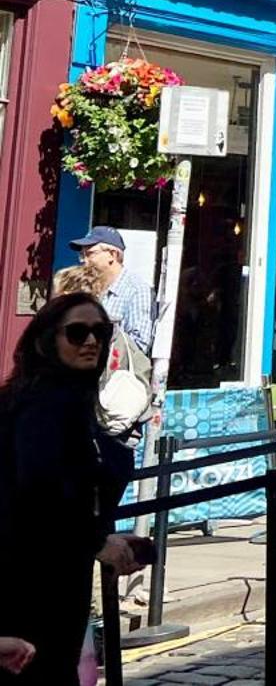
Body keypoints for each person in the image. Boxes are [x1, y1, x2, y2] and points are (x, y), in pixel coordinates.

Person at [0, 293, 145, 686]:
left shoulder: (66, 397)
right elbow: (39, 489)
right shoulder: (46, 401)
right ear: (47, 340)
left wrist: (104, 536)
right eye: (77, 332)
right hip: (33, 583)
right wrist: (96, 541)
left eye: (100, 332)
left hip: (53, 574)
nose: (91, 341)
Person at [70, 226, 154, 357]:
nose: (84, 261)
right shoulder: (86, 288)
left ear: (112, 255)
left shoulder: (136, 290)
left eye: (90, 254)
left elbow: (139, 346)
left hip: (115, 373)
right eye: (82, 255)